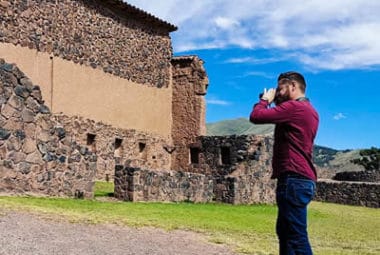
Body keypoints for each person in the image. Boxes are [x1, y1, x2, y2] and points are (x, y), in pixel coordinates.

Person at [249, 71, 319, 255]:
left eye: (281, 88)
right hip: (300, 179)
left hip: (294, 179)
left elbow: (257, 116)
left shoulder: (296, 109)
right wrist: (276, 99)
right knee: (286, 233)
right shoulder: (307, 110)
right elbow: (279, 109)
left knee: (295, 237)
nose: (278, 93)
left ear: (293, 86)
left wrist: (265, 100)